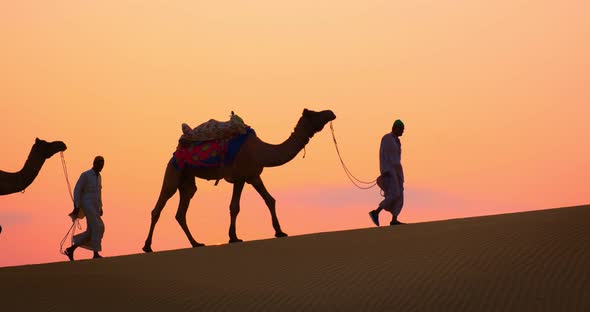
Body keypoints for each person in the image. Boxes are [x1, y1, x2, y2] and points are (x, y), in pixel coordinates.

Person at [65, 156, 105, 260]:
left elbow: (99, 193)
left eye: (102, 164)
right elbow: (77, 190)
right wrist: (77, 206)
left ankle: (71, 249)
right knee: (98, 226)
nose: (101, 166)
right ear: (94, 163)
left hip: (95, 206)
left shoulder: (99, 177)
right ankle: (95, 254)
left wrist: (100, 207)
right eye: (99, 163)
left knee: (91, 231)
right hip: (87, 205)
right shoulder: (86, 175)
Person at [369, 119, 405, 226]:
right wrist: (385, 170)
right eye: (401, 129)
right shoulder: (387, 138)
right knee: (394, 194)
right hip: (389, 171)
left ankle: (394, 219)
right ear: (396, 128)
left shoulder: (397, 141)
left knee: (400, 196)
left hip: (397, 172)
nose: (403, 131)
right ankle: (376, 212)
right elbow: (383, 155)